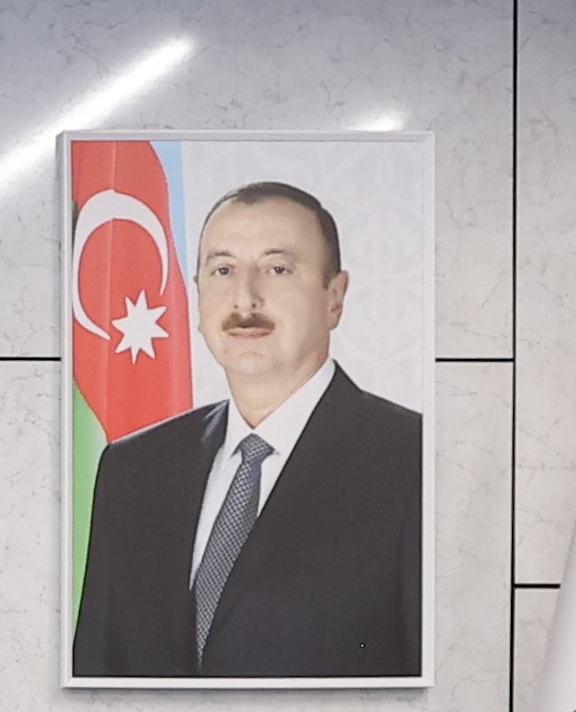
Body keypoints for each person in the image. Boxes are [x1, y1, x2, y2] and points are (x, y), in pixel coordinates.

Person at [69, 181, 423, 681]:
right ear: (196, 292)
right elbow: (95, 678)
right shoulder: (133, 467)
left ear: (335, 297)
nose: (244, 298)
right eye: (223, 270)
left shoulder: (414, 460)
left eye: (278, 269)